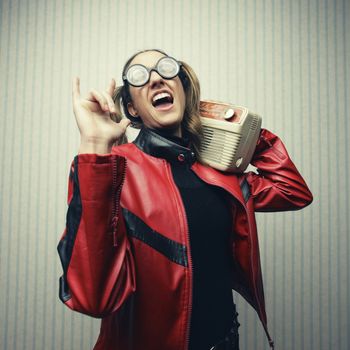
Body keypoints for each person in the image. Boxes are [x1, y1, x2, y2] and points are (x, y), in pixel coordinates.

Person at [57, 49, 313, 350]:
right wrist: (95, 144)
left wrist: (241, 127)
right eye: (140, 76)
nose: (155, 79)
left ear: (183, 89)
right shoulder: (112, 170)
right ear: (132, 108)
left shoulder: (217, 169)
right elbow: (93, 298)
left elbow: (292, 190)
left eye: (166, 70)